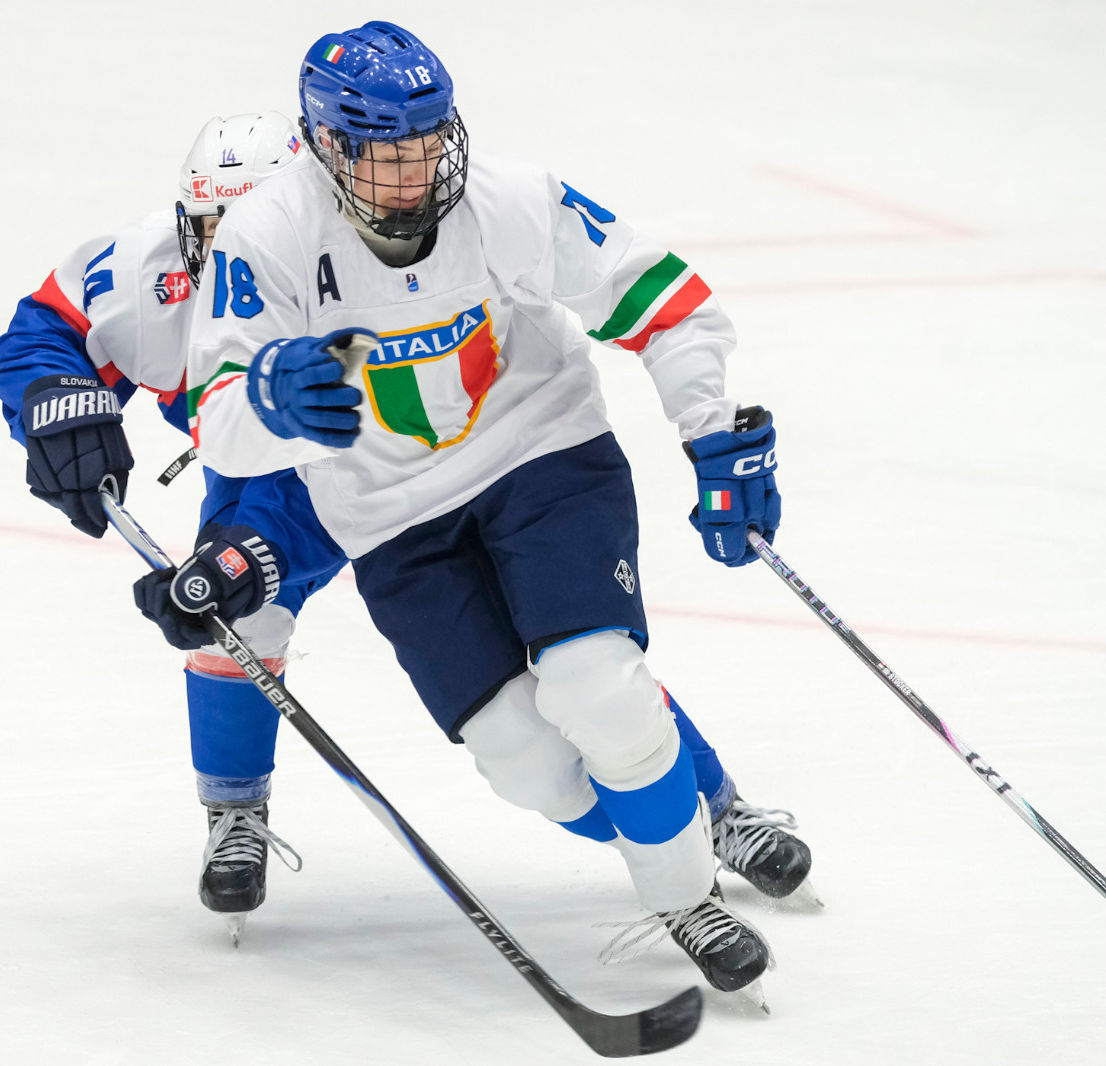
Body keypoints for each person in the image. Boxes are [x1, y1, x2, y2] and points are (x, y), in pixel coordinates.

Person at [177, 21, 791, 994]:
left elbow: (664, 300)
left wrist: (710, 431)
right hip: (388, 518)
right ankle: (677, 812)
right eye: (384, 153)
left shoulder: (508, 198)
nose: (414, 170)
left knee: (597, 686)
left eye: (426, 140)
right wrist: (266, 399)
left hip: (541, 455)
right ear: (327, 146)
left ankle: (682, 898)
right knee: (527, 765)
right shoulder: (267, 236)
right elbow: (216, 422)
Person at [0, 113, 344, 942]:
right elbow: (50, 327)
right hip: (257, 468)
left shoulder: (355, 284)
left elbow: (345, 474)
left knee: (552, 657)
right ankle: (234, 812)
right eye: (214, 230)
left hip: (405, 473)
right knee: (233, 616)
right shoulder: (152, 278)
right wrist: (60, 404)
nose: (231, 254)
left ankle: (702, 802)